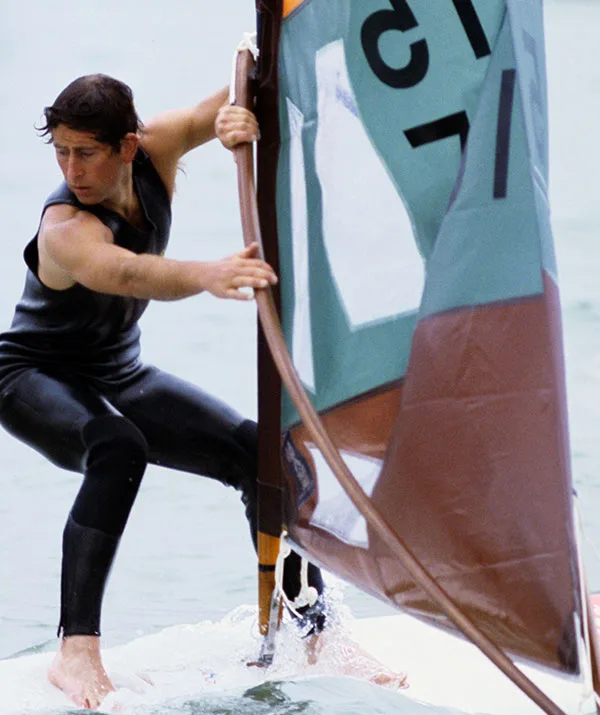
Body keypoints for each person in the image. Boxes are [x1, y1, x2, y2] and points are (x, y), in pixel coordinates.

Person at [0, 74, 327, 710]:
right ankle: (76, 652)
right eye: (61, 152)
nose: (72, 170)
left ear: (128, 145)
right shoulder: (65, 226)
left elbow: (241, 84)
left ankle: (312, 635)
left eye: (86, 152)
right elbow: (123, 272)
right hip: (32, 378)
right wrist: (208, 273)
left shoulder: (158, 146)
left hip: (118, 373)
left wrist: (237, 117)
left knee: (260, 454)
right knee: (117, 447)